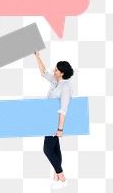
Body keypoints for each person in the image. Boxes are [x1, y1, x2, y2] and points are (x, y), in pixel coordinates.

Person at [35, 50, 74, 190]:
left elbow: (63, 108)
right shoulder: (55, 81)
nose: (54, 70)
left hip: (55, 123)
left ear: (62, 73)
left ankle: (62, 176)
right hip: (48, 120)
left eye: (56, 70)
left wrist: (60, 129)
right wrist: (37, 56)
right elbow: (43, 72)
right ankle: (57, 175)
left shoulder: (66, 86)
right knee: (55, 148)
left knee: (47, 149)